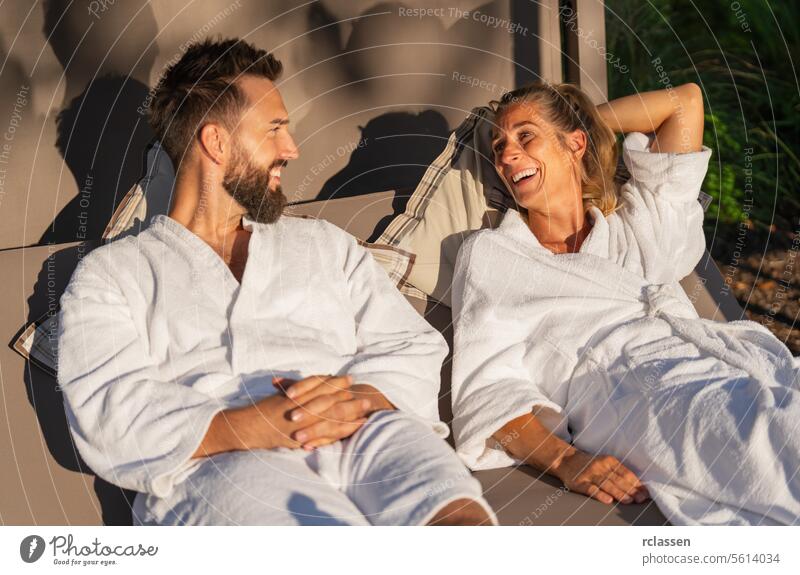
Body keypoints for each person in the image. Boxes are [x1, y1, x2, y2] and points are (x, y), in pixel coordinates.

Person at [57, 37, 496, 526]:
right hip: (220, 461)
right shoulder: (113, 275)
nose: (291, 149)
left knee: (453, 513)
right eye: (274, 129)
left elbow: (410, 345)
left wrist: (358, 398)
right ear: (216, 141)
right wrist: (255, 425)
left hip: (361, 428)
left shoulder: (324, 246)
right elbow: (108, 410)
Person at [450, 80, 800, 525]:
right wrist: (564, 462)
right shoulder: (494, 254)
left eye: (525, 136)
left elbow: (685, 102)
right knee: (774, 440)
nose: (505, 155)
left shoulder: (634, 223)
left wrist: (587, 122)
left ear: (574, 144)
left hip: (739, 361)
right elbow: (486, 388)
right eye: (498, 145)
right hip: (636, 393)